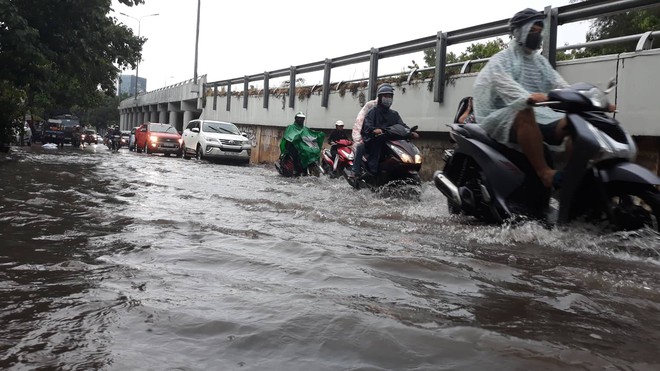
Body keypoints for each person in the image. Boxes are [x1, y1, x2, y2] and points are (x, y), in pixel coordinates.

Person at [473, 8, 571, 189]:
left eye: (540, 31)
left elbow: (559, 83)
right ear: (519, 31)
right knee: (524, 112)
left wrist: (581, 98)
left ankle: (576, 178)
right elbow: (505, 85)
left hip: (538, 114)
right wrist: (528, 97)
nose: (538, 35)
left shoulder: (540, 62)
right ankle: (545, 173)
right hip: (500, 116)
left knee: (572, 123)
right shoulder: (501, 59)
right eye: (533, 30)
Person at [360, 83, 418, 176]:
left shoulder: (394, 114)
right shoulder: (373, 112)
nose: (388, 98)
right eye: (386, 96)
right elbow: (367, 125)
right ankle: (373, 171)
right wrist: (374, 130)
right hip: (375, 140)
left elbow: (401, 125)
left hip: (391, 140)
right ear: (380, 97)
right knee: (376, 145)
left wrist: (410, 132)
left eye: (390, 96)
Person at [346, 99, 378, 179]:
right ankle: (355, 170)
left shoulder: (391, 114)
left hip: (382, 139)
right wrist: (363, 137)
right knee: (360, 146)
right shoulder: (366, 116)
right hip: (368, 138)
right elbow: (360, 127)